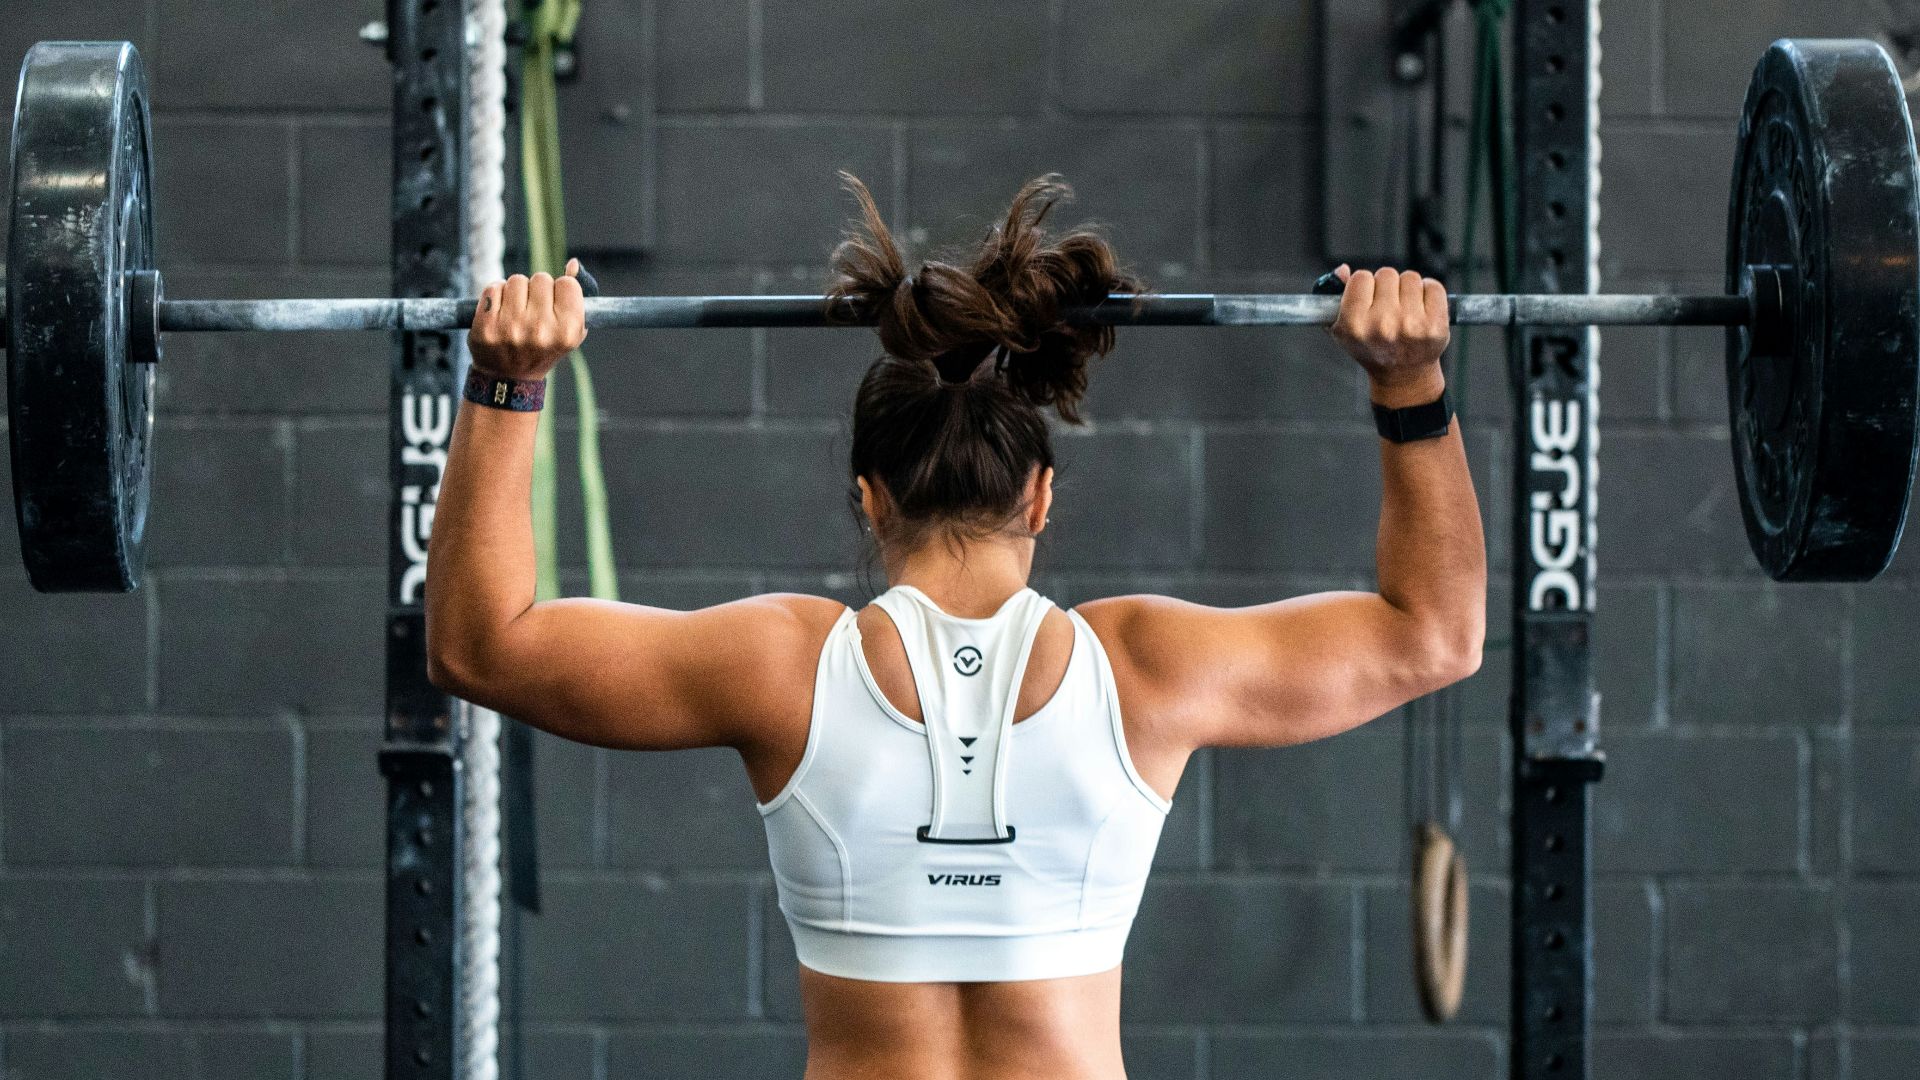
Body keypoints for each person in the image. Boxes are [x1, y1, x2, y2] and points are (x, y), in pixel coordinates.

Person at [425, 174, 1485, 1080]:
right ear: (1041, 497)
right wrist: (1411, 383)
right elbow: (1436, 634)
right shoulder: (1146, 669)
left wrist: (508, 384)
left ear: (869, 497)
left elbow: (481, 644)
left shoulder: (783, 667)